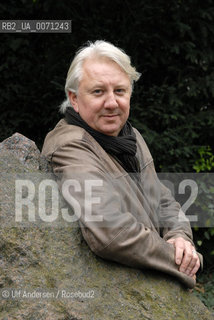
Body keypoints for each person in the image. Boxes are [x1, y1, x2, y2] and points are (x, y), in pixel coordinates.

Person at [42, 40, 202, 288]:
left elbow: (162, 199)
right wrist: (179, 261)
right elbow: (112, 233)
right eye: (98, 92)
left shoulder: (130, 136)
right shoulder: (70, 145)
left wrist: (180, 237)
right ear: (73, 98)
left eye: (120, 91)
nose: (111, 103)